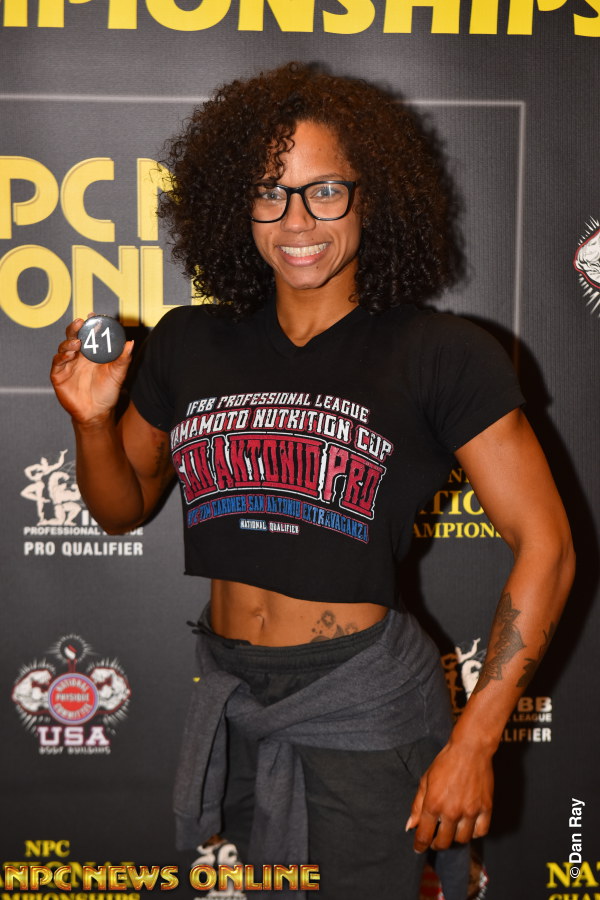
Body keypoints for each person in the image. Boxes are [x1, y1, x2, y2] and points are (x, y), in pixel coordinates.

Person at [50, 63, 574, 900]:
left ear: (371, 198)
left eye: (325, 190)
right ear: (238, 204)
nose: (297, 221)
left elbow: (546, 546)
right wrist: (90, 421)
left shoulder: (440, 354)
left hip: (360, 707)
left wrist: (475, 742)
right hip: (234, 700)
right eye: (270, 192)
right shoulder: (189, 342)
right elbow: (120, 509)